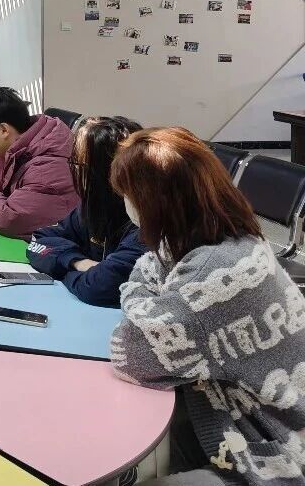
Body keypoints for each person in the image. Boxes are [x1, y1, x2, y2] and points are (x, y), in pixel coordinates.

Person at [110, 126, 305, 483]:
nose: (126, 204)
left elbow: (130, 353)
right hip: (251, 412)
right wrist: (148, 304)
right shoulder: (228, 235)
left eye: (130, 195)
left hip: (271, 446)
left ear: (158, 201)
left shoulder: (216, 274)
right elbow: (148, 268)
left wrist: (140, 300)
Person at [26, 115, 145, 307]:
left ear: (105, 171)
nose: (73, 171)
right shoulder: (92, 208)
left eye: (78, 164)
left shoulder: (143, 223)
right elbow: (37, 242)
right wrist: (77, 262)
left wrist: (61, 271)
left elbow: (99, 287)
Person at [0, 87, 77, 239]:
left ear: (4, 130)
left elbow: (11, 219)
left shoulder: (49, 162)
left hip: (51, 248)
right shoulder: (0, 154)